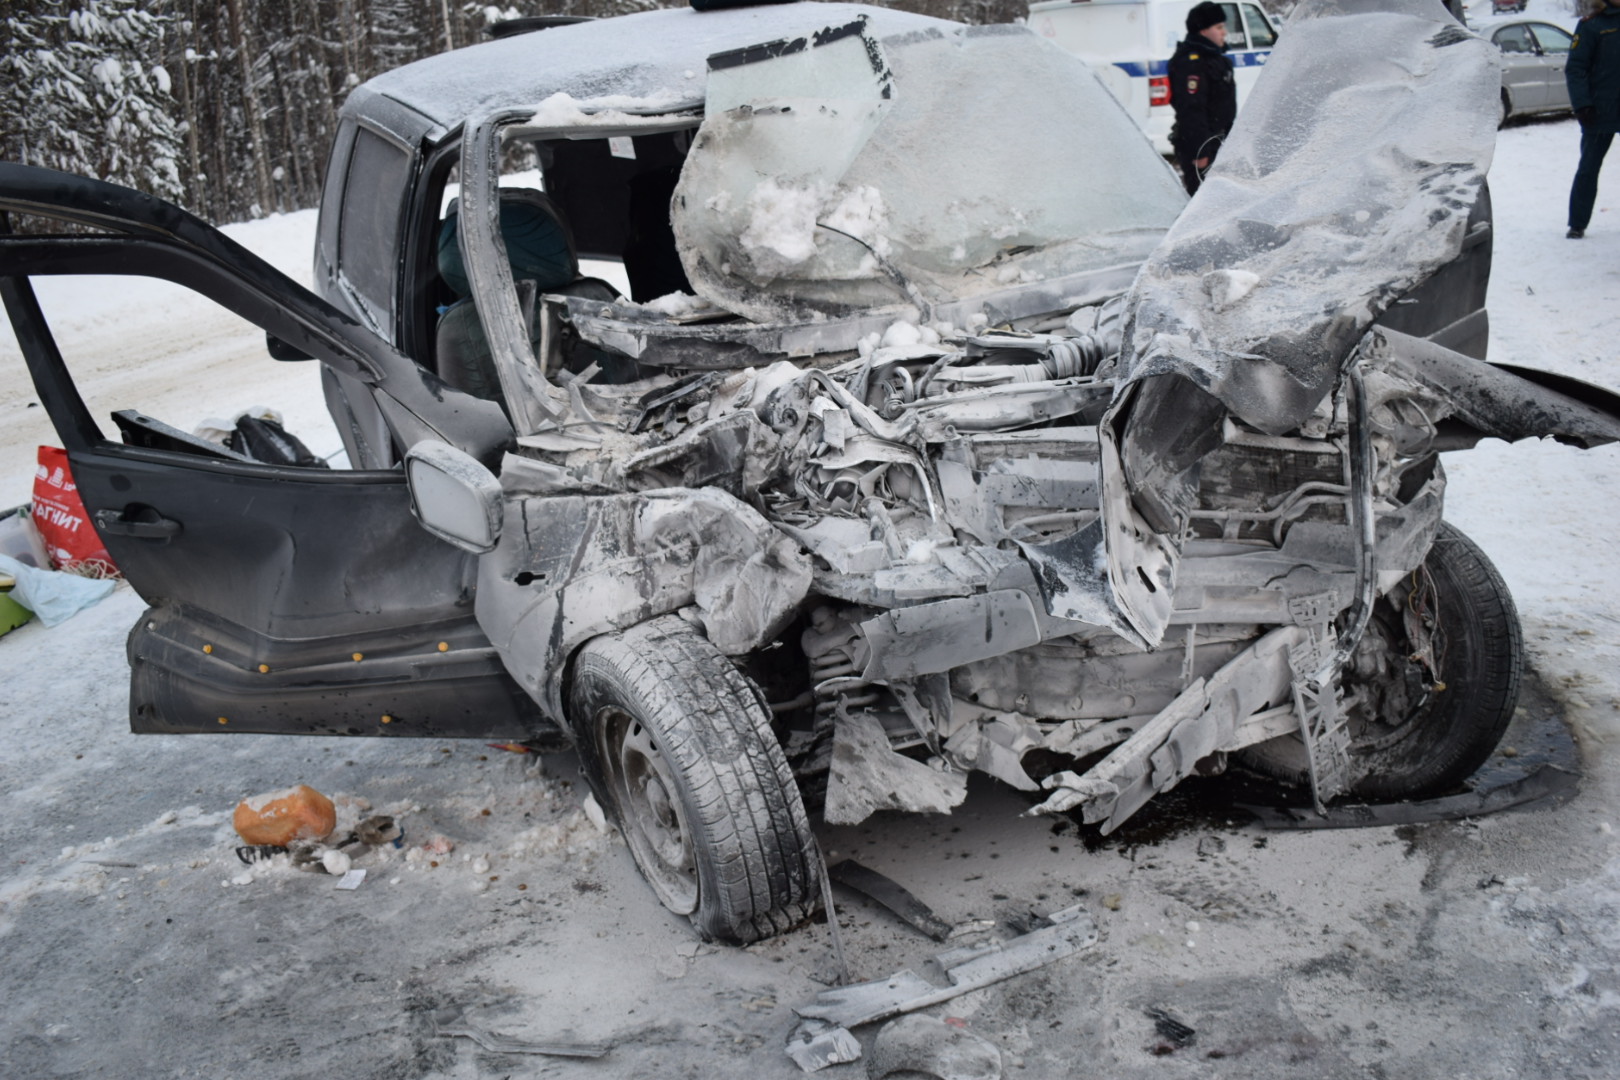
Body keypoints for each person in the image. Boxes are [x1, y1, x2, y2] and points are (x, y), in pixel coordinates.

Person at [1169, 1, 1238, 196]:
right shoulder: (1191, 63)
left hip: (1219, 143)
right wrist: (1201, 152)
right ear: (1203, 31)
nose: (1224, 32)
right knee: (1204, 203)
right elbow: (1191, 110)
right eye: (1219, 27)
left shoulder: (1216, 59)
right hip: (1202, 147)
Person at [1566, 0, 1620, 238]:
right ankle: (1577, 223)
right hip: (1600, 111)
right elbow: (1576, 68)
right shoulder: (1592, 25)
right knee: (1588, 168)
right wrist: (1582, 104)